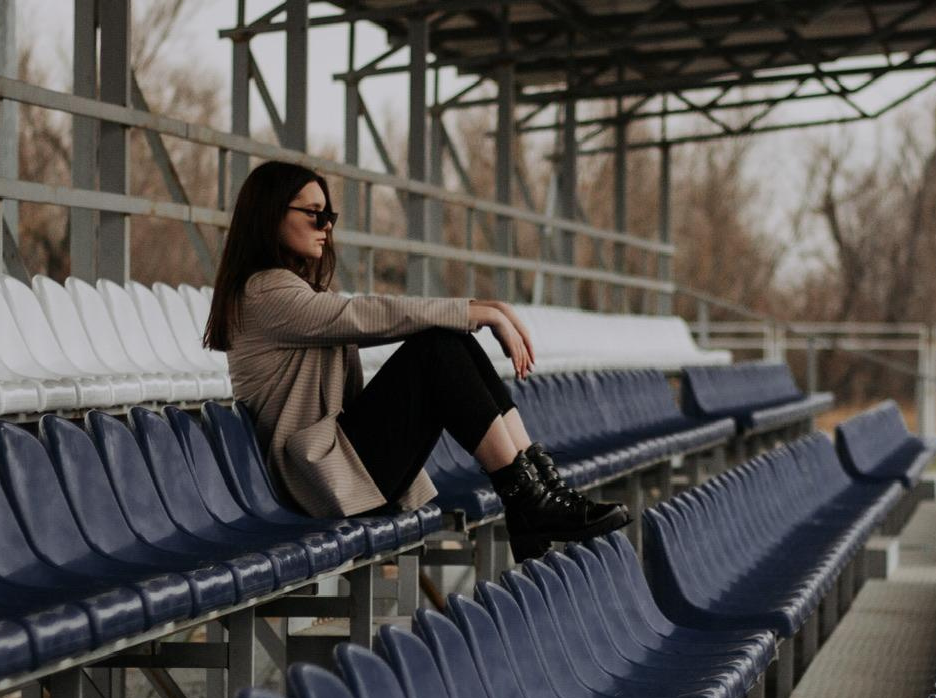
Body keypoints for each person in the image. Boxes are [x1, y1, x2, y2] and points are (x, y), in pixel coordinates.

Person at [202, 159, 628, 555]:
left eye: (328, 214)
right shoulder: (263, 293)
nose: (325, 225)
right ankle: (528, 497)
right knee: (437, 346)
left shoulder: (286, 291)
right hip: (310, 481)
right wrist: (476, 312)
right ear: (270, 214)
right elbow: (364, 315)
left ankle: (537, 490)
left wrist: (482, 309)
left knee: (448, 341)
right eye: (313, 213)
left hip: (330, 469)